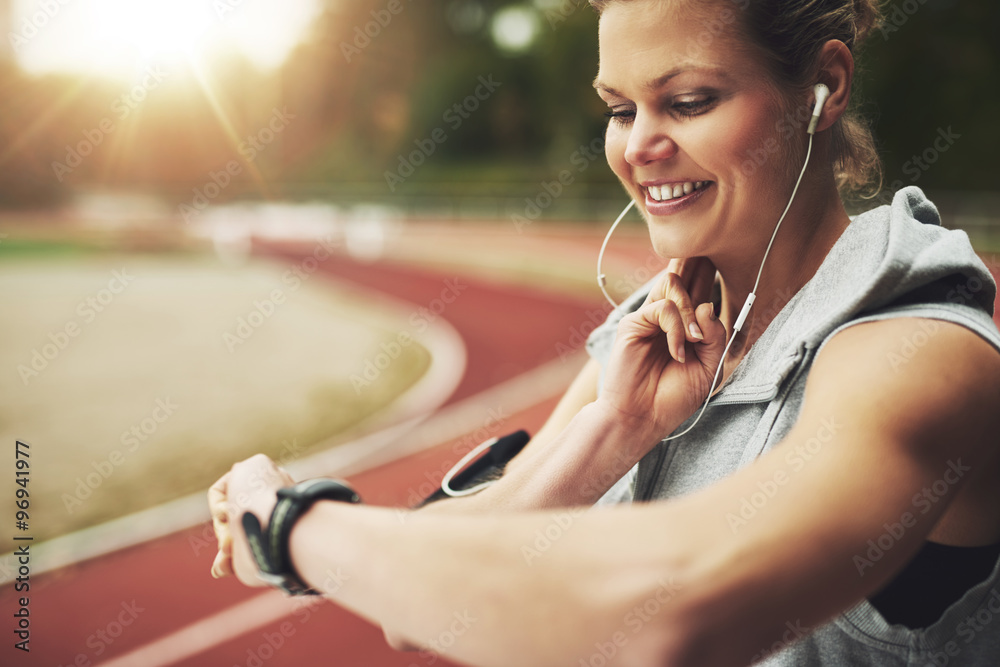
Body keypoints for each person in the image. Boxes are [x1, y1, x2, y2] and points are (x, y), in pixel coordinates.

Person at [208, 0, 1000, 664]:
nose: (639, 146)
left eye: (688, 101)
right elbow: (413, 611)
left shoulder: (921, 352)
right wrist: (614, 430)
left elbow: (677, 606)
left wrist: (286, 530)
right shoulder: (644, 345)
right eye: (620, 109)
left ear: (823, 88)